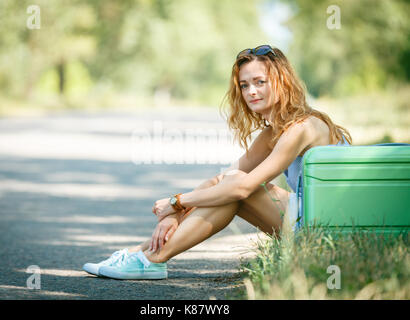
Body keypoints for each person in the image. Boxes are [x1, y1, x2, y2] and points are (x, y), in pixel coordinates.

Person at [83, 45, 352, 280]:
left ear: (281, 81)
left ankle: (152, 260)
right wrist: (174, 214)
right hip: (311, 221)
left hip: (330, 231)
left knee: (238, 190)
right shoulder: (275, 132)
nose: (251, 91)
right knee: (229, 182)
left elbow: (242, 188)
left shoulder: (303, 127)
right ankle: (140, 253)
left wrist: (177, 201)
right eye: (245, 85)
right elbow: (223, 178)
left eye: (260, 82)